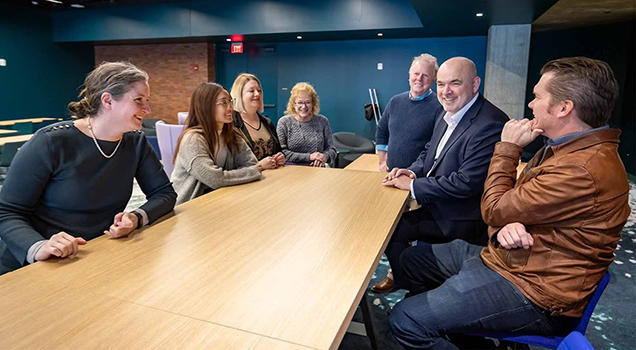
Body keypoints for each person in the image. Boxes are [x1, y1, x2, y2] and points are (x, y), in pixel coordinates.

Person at [389, 57, 630, 350]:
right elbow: (515, 203)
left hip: (533, 292)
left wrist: (509, 149)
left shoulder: (581, 167)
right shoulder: (565, 148)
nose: (530, 105)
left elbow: (493, 209)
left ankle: (436, 322)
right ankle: (459, 331)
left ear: (564, 108)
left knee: (405, 320)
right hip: (512, 257)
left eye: (538, 97)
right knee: (413, 261)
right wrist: (509, 220)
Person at [0, 61, 177, 275]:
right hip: (38, 266)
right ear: (108, 100)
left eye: (147, 101)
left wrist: (136, 217)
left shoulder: (135, 142)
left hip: (96, 256)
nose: (147, 109)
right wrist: (39, 246)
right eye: (138, 100)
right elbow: (6, 211)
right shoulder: (52, 142)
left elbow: (164, 193)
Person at [374, 57, 509, 293]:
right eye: (441, 84)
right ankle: (411, 285)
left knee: (397, 234)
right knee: (388, 229)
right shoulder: (447, 112)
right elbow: (430, 152)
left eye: (454, 84)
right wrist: (412, 171)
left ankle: (419, 291)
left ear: (475, 84)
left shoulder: (490, 123)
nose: (446, 91)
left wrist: (413, 187)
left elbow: (467, 183)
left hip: (460, 219)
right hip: (438, 206)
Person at [172, 82, 277, 205]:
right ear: (207, 106)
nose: (230, 108)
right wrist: (256, 169)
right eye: (223, 103)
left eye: (230, 102)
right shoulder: (193, 140)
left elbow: (250, 164)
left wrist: (254, 169)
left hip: (222, 199)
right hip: (189, 207)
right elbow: (215, 178)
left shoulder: (232, 135)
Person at [375, 53, 444, 172]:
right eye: (416, 73)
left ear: (433, 80)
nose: (419, 78)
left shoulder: (440, 106)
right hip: (390, 172)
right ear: (409, 75)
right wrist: (382, 160)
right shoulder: (395, 101)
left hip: (417, 177)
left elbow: (435, 146)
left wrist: (413, 172)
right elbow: (382, 130)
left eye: (425, 75)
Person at [230, 73, 285, 166]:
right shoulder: (231, 125)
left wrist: (280, 157)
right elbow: (232, 163)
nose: (257, 94)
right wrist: (259, 166)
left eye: (259, 90)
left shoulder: (267, 122)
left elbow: (278, 150)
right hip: (248, 178)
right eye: (251, 91)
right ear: (239, 95)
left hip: (274, 177)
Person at [277, 82, 337, 167]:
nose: (304, 106)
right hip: (291, 170)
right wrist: (309, 157)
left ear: (313, 104)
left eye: (308, 102)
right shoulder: (284, 122)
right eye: (300, 102)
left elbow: (332, 149)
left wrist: (323, 157)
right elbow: (282, 153)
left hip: (318, 169)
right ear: (293, 104)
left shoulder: (322, 121)